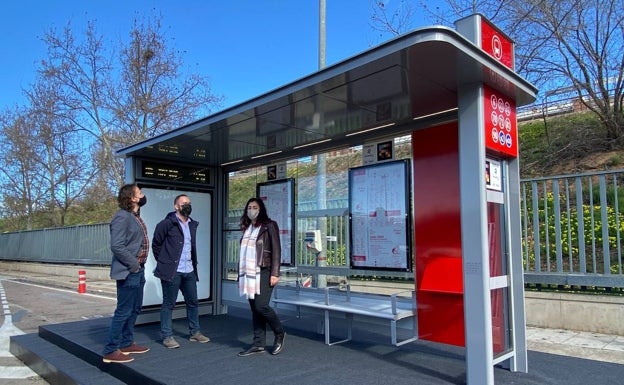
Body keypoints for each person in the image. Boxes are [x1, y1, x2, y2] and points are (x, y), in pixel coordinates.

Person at [152, 194, 210, 349]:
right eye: (184, 203)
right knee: (168, 304)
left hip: (189, 270)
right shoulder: (166, 224)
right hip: (173, 271)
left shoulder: (192, 224)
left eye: (189, 203)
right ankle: (167, 336)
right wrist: (165, 263)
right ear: (176, 206)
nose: (187, 205)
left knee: (193, 302)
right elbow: (156, 245)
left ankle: (195, 332)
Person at [102, 183, 150, 364]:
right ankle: (111, 349)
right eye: (140, 193)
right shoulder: (122, 217)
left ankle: (127, 342)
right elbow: (117, 246)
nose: (143, 195)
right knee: (123, 311)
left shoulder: (134, 216)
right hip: (130, 271)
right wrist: (134, 265)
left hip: (138, 270)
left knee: (135, 308)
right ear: (132, 198)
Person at [237, 197, 285, 356]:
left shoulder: (269, 225)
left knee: (261, 306)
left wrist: (275, 272)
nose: (251, 210)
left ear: (261, 209)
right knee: (254, 309)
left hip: (264, 270)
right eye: (249, 207)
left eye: (255, 207)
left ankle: (279, 332)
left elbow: (277, 250)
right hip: (249, 273)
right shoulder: (247, 228)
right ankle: (258, 343)